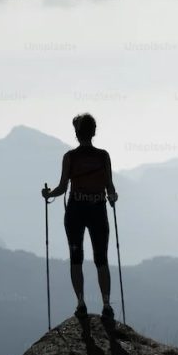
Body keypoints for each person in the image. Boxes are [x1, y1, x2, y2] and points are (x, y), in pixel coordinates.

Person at [41, 113, 118, 323]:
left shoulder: (70, 157)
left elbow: (62, 187)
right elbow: (109, 186)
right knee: (101, 258)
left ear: (76, 133)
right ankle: (106, 305)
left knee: (76, 258)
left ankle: (81, 304)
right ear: (94, 132)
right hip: (98, 209)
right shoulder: (103, 156)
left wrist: (48, 195)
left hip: (76, 211)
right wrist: (112, 197)